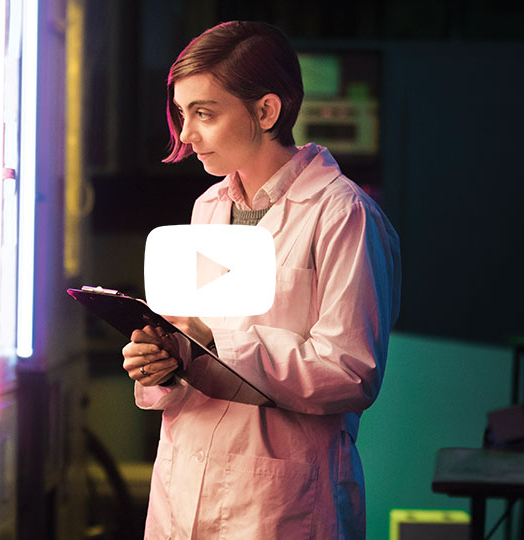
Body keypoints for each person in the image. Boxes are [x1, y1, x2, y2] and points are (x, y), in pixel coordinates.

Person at [121, 21, 401, 539]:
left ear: (267, 111)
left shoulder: (342, 214)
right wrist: (162, 363)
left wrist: (212, 343)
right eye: (182, 114)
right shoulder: (208, 207)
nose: (186, 134)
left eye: (204, 113)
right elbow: (194, 352)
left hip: (280, 502)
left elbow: (352, 371)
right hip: (183, 492)